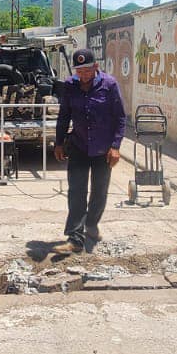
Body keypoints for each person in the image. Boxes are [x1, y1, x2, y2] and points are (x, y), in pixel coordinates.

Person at [51, 48, 126, 254]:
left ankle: (92, 224)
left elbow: (120, 118)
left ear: (96, 67)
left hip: (103, 149)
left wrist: (116, 146)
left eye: (86, 70)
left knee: (99, 192)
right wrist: (58, 142)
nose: (82, 75)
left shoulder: (109, 85)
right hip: (79, 146)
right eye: (79, 71)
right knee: (76, 192)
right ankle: (75, 238)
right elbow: (64, 115)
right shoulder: (70, 85)